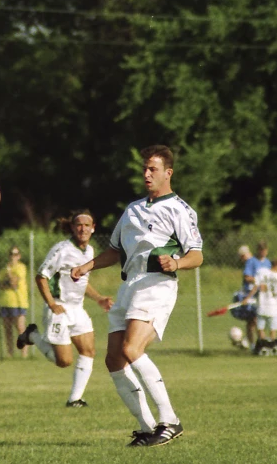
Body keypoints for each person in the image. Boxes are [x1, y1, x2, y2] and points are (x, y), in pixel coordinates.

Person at [71, 145, 203, 447]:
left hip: (157, 284)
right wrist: (87, 265)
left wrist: (178, 262)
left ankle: (170, 420)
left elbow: (197, 255)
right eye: (144, 168)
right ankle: (146, 427)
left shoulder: (179, 210)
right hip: (129, 286)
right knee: (114, 359)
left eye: (152, 169)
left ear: (168, 173)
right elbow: (115, 250)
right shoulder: (132, 209)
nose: (146, 174)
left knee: (131, 348)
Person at [16, 210, 114, 407]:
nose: (83, 228)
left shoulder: (89, 252)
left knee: (89, 351)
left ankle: (75, 399)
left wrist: (98, 298)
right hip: (59, 308)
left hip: (77, 308)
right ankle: (32, 335)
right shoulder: (62, 250)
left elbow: (81, 282)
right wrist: (52, 304)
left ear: (93, 228)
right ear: (72, 227)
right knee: (64, 361)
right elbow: (41, 276)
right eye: (78, 224)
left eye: (87, 225)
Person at [232, 241, 270, 349]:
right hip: (251, 295)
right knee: (252, 320)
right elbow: (247, 277)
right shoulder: (251, 262)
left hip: (264, 296)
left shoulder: (267, 263)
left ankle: (263, 343)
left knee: (261, 319)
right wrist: (257, 281)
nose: (263, 252)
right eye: (261, 250)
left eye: (265, 250)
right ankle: (254, 344)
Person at [0, 246, 29, 358]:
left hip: (18, 302)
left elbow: (14, 283)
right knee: (7, 329)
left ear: (19, 256)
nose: (12, 257)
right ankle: (10, 353)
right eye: (11, 254)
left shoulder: (21, 267)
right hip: (5, 301)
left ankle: (24, 354)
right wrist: (7, 281)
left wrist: (9, 275)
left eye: (15, 254)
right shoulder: (4, 269)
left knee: (20, 327)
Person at [244, 259, 277, 341]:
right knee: (273, 328)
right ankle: (271, 344)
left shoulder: (261, 272)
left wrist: (247, 298)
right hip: (274, 307)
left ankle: (262, 344)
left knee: (260, 327)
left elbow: (255, 287)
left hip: (262, 305)